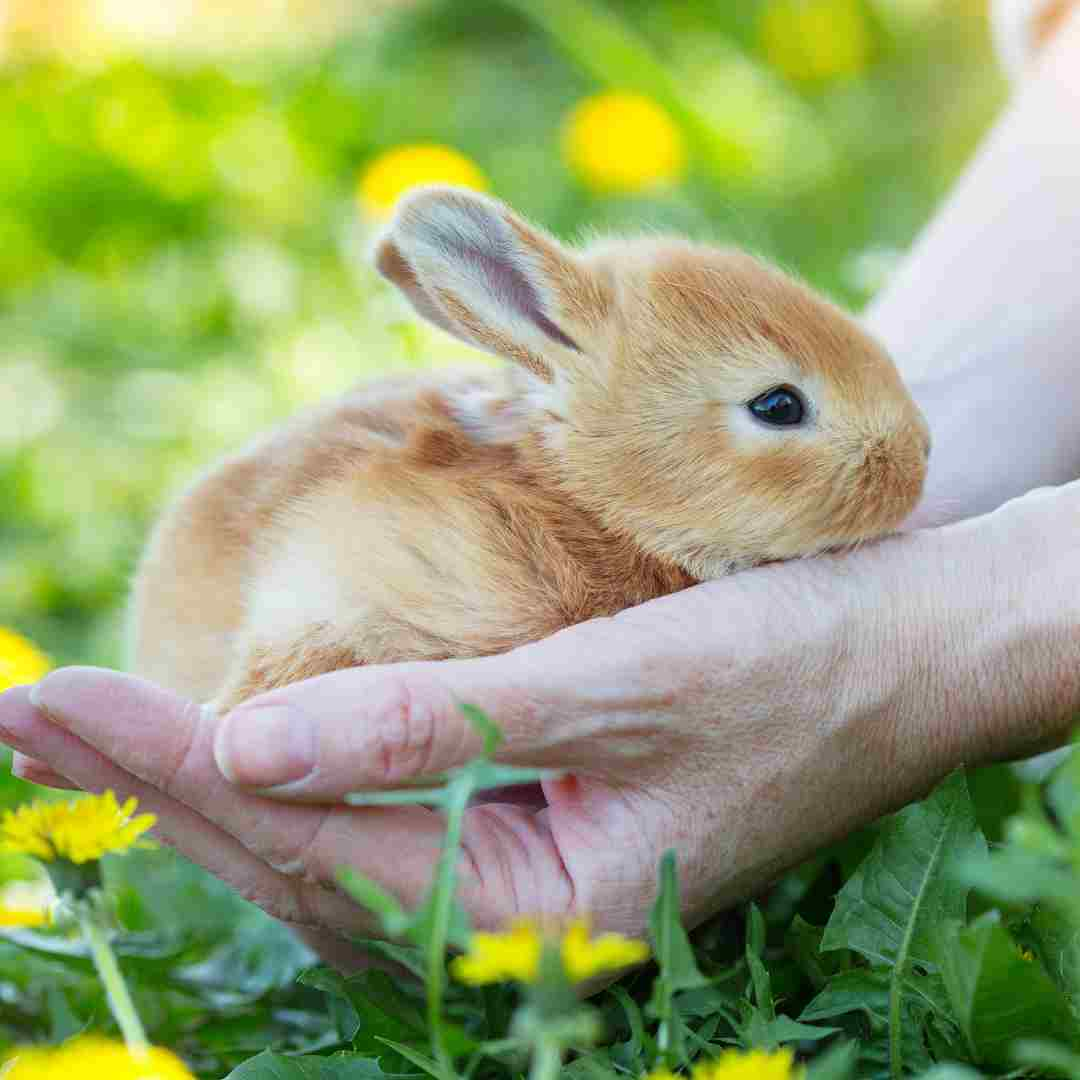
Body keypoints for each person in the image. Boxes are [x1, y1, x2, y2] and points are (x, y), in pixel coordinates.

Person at [2, 1, 1079, 972]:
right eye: (782, 412)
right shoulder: (507, 551)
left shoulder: (649, 523)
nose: (910, 455)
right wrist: (269, 751)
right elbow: (319, 590)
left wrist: (971, 626)